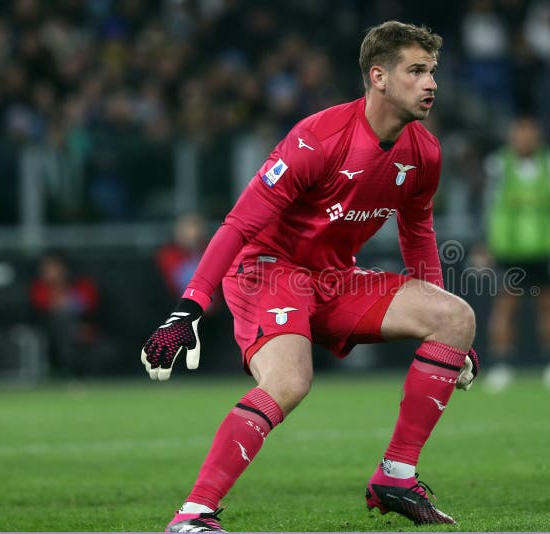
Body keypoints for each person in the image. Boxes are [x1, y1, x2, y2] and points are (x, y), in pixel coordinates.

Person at [140, 21, 479, 531]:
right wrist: (187, 307)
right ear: (379, 76)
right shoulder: (317, 138)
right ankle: (193, 515)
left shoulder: (424, 152)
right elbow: (238, 224)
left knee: (455, 317)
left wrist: (453, 339)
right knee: (289, 382)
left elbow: (417, 233)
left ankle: (396, 476)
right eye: (417, 71)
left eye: (433, 71)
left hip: (333, 276)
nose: (431, 83)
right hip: (268, 269)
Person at [474, 116, 550, 392]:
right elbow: (488, 204)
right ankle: (500, 366)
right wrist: (485, 242)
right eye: (520, 134)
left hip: (545, 247)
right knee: (506, 306)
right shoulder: (499, 164)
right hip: (509, 248)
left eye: (530, 134)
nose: (525, 139)